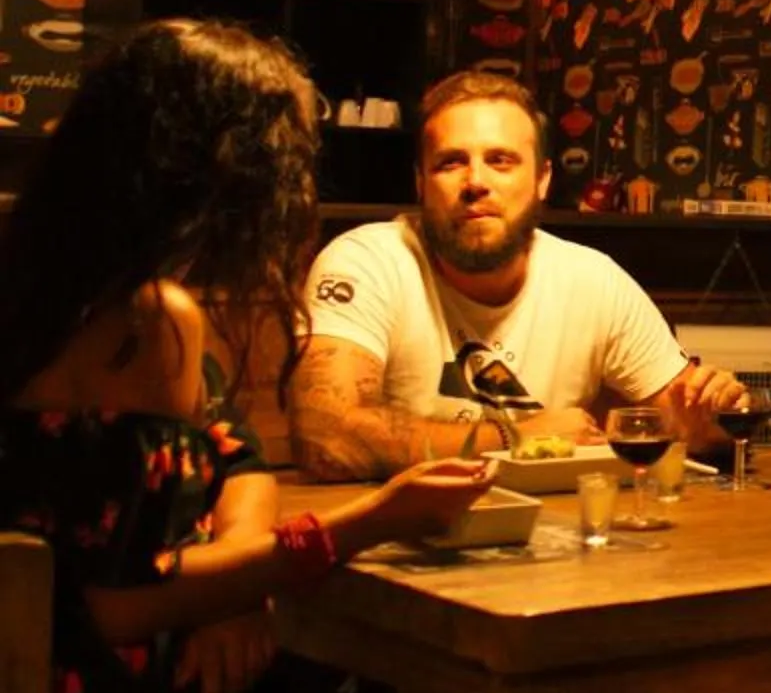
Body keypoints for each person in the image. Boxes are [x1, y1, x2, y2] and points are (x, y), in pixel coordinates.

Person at [0, 20, 496, 693]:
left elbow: (238, 455)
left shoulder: (48, 281)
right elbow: (129, 601)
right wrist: (368, 523)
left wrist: (237, 583)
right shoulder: (148, 322)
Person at [289, 71, 745, 478]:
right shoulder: (368, 263)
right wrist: (516, 436)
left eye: (501, 160)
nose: (475, 182)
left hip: (555, 535)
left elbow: (687, 422)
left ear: (542, 180)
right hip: (402, 535)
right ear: (421, 183)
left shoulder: (592, 280)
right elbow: (325, 438)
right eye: (451, 162)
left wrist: (714, 420)